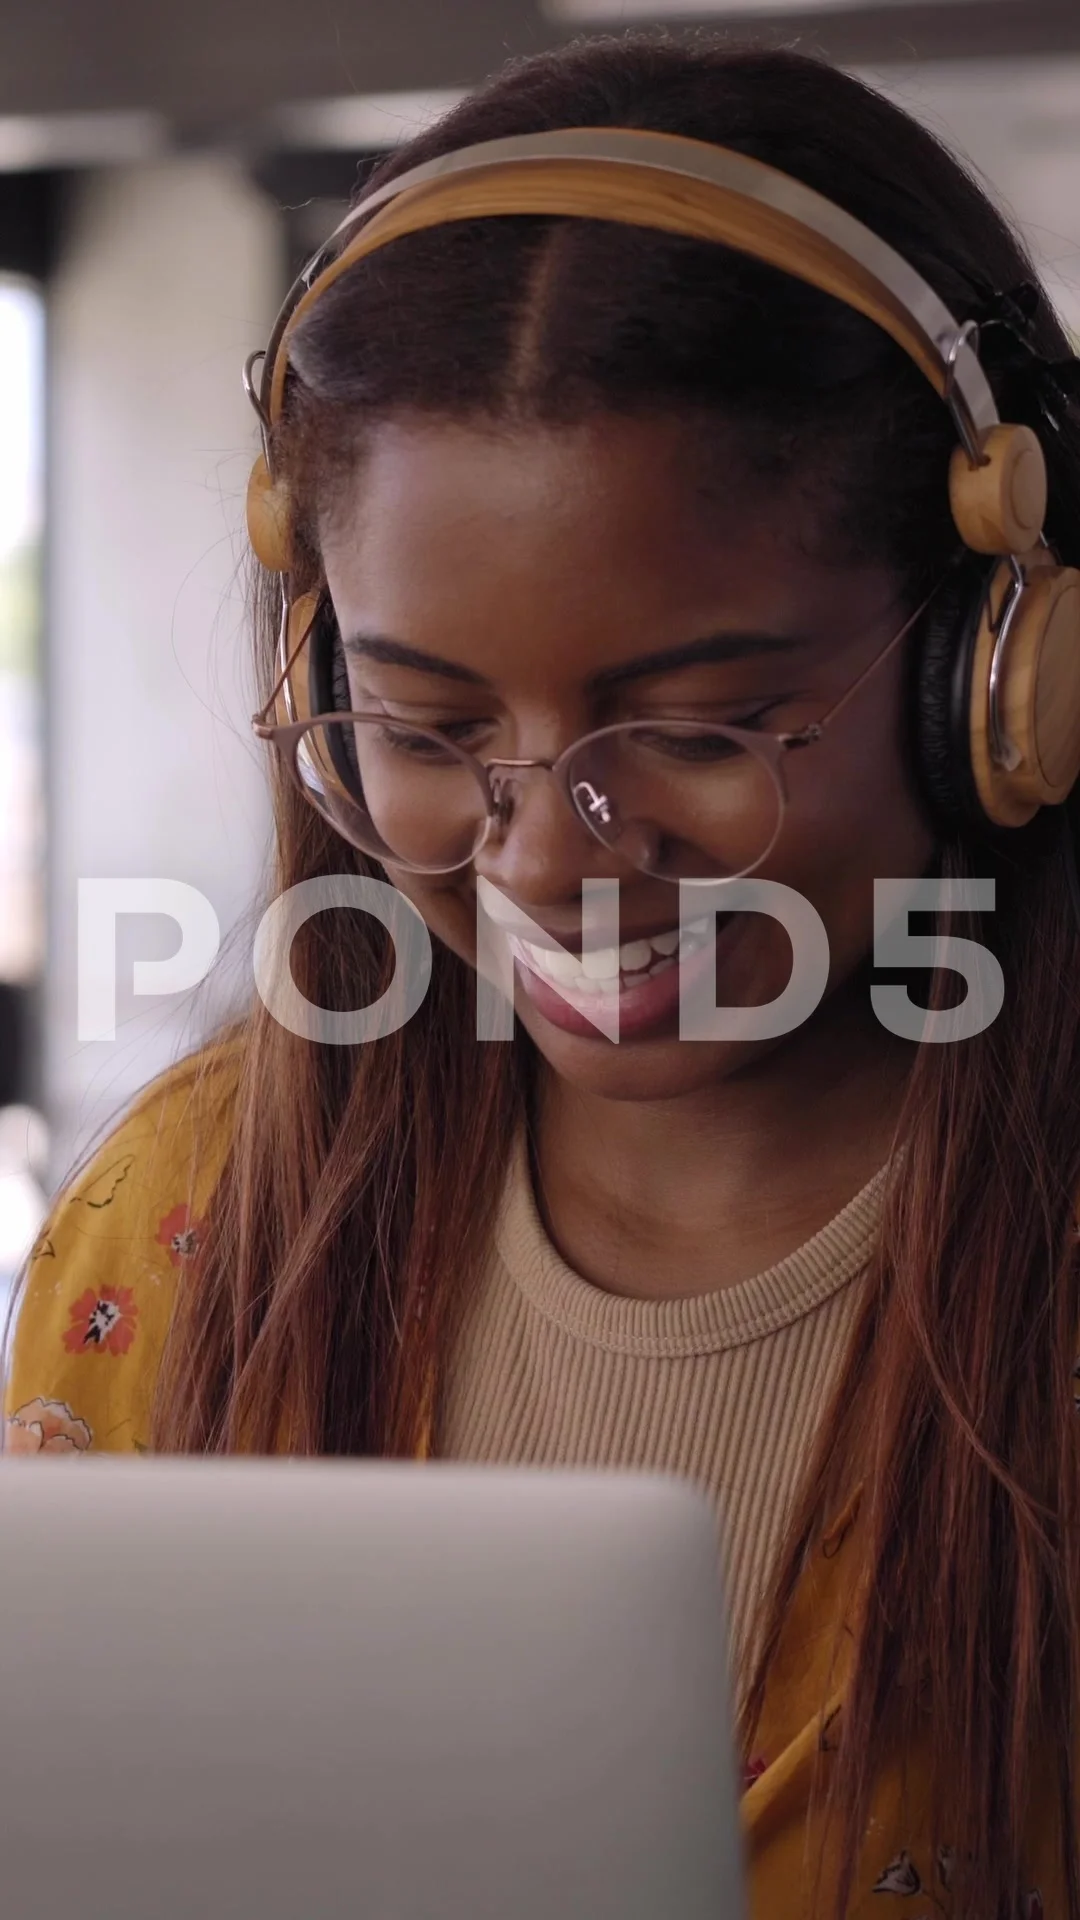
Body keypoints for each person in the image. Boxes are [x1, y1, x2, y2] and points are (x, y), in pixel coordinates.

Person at [5, 32, 1080, 1919]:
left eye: (701, 724)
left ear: (1003, 671)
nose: (551, 854)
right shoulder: (184, 1212)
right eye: (426, 725)